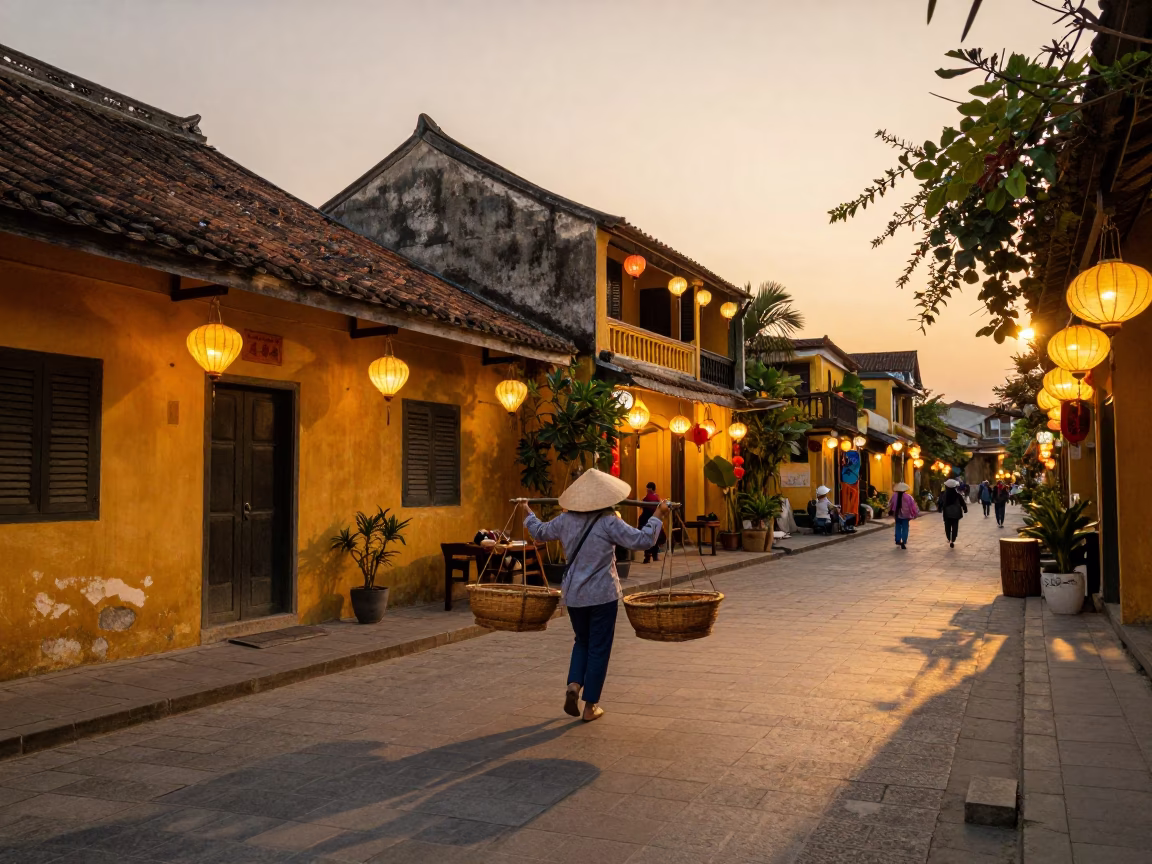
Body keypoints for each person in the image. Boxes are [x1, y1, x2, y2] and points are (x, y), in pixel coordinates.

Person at [521, 469, 668, 723]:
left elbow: (540, 532)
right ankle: (590, 706)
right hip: (602, 595)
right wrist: (657, 515)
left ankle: (574, 685)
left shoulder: (565, 520)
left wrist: (526, 511)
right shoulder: (608, 521)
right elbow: (642, 540)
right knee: (598, 648)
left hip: (574, 595)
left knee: (582, 641)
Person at [887, 481, 919, 549]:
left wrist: (890, 510)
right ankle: (904, 541)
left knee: (898, 527)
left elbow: (890, 504)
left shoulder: (894, 496)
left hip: (897, 514)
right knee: (905, 528)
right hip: (906, 515)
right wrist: (914, 513)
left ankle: (898, 540)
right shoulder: (908, 497)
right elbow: (912, 506)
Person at [638, 482, 663, 563]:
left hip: (645, 520)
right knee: (655, 537)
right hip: (653, 519)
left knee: (647, 537)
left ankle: (647, 557)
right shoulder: (656, 498)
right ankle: (654, 556)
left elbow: (641, 506)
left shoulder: (645, 498)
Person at [940, 478, 967, 548]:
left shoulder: (944, 495)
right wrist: (965, 509)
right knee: (955, 526)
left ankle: (949, 538)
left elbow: (940, 503)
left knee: (947, 527)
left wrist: (939, 508)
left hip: (947, 514)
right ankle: (953, 538)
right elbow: (963, 503)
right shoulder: (958, 495)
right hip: (956, 513)